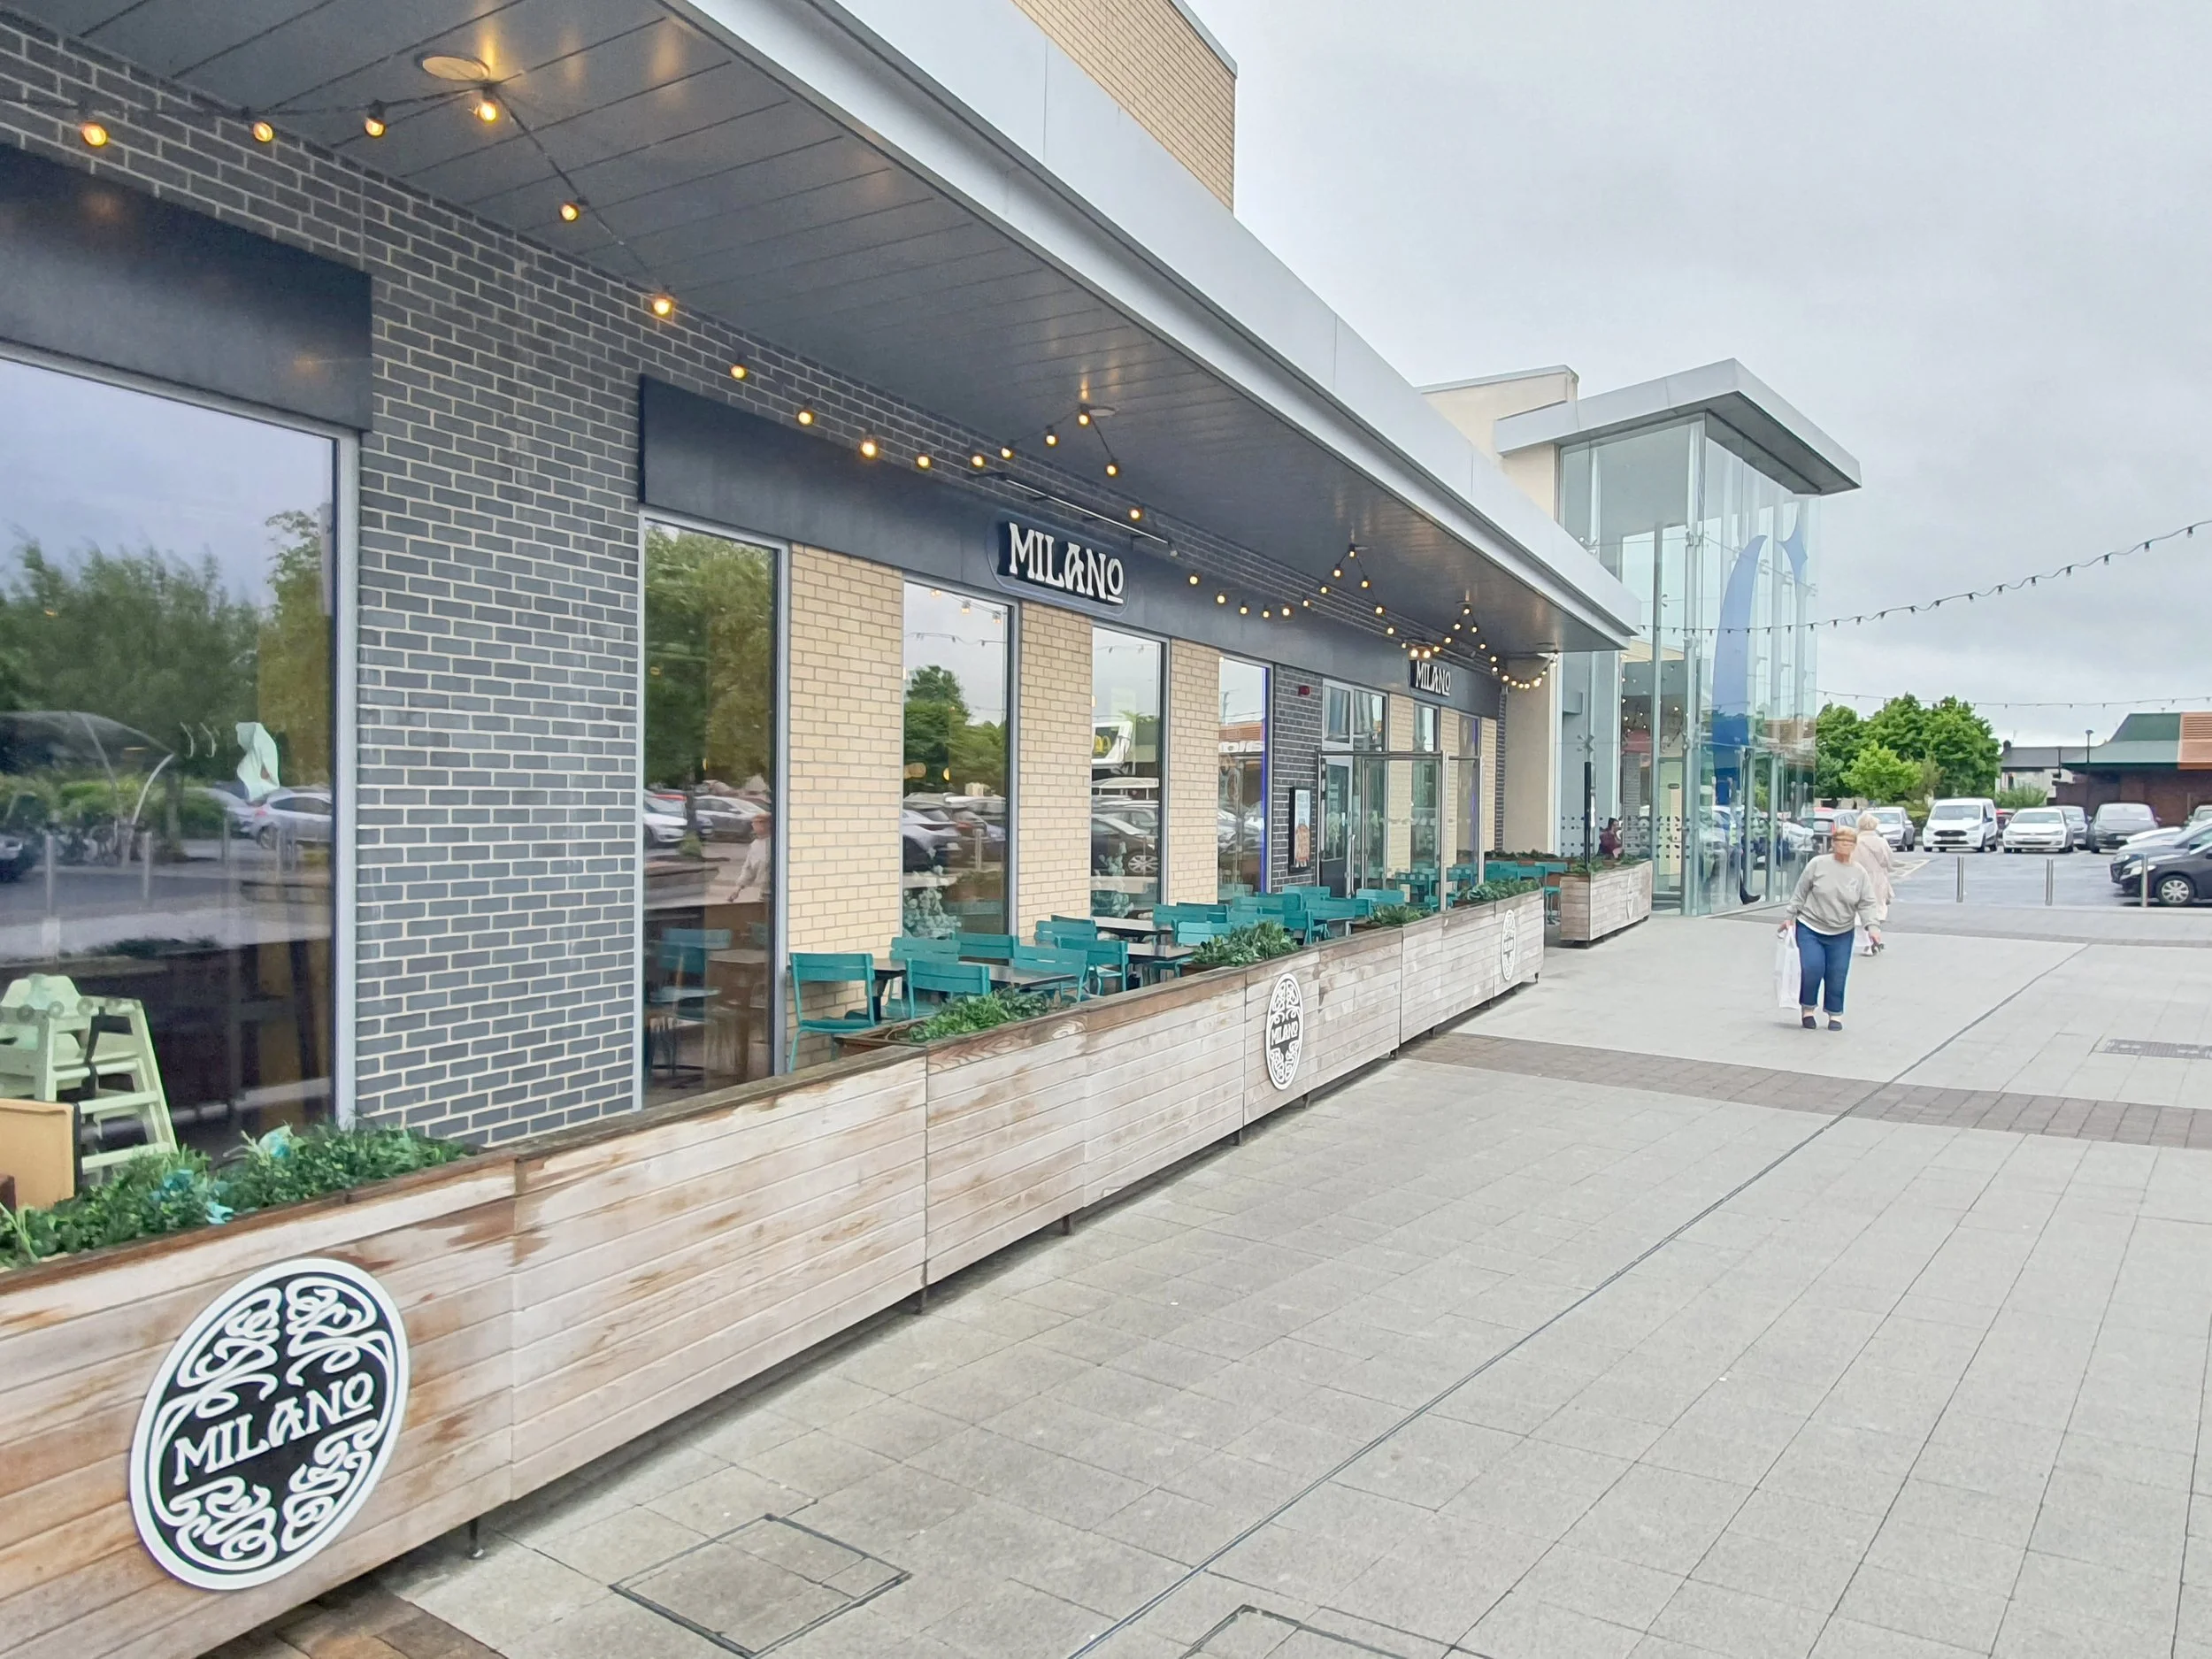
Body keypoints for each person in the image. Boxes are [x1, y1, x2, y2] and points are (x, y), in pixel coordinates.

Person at [1778, 821, 1878, 1030]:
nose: (1844, 847)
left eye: (1848, 843)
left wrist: (1872, 927)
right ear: (1833, 844)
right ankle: (1808, 1009)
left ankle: (1835, 1014)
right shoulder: (1817, 864)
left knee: (1837, 972)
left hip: (1841, 930)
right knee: (1812, 968)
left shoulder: (1859, 873)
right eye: (1840, 842)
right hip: (1811, 926)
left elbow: (1867, 902)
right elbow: (1801, 891)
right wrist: (1790, 916)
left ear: (1854, 846)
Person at [1851, 810, 1894, 952]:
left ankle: (1866, 942)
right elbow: (1889, 862)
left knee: (1860, 910)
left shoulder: (1855, 842)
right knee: (1876, 910)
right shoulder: (1882, 842)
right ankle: (1874, 938)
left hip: (1858, 878)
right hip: (1878, 879)